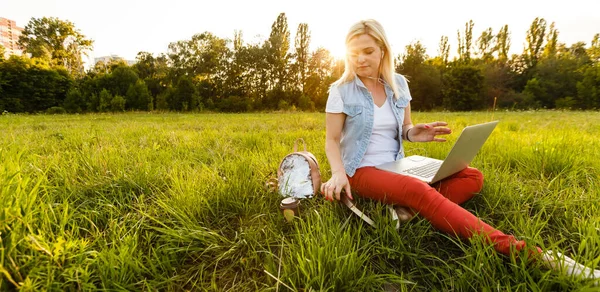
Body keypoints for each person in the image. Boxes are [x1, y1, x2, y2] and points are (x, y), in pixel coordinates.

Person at [320, 19, 599, 279]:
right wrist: (338, 174)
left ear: (383, 50)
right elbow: (332, 140)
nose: (360, 59)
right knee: (419, 191)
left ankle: (405, 214)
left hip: (396, 166)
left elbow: (405, 128)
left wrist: (414, 133)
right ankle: (527, 253)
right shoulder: (342, 90)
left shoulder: (399, 84)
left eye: (368, 51)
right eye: (353, 53)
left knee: (471, 176)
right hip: (360, 170)